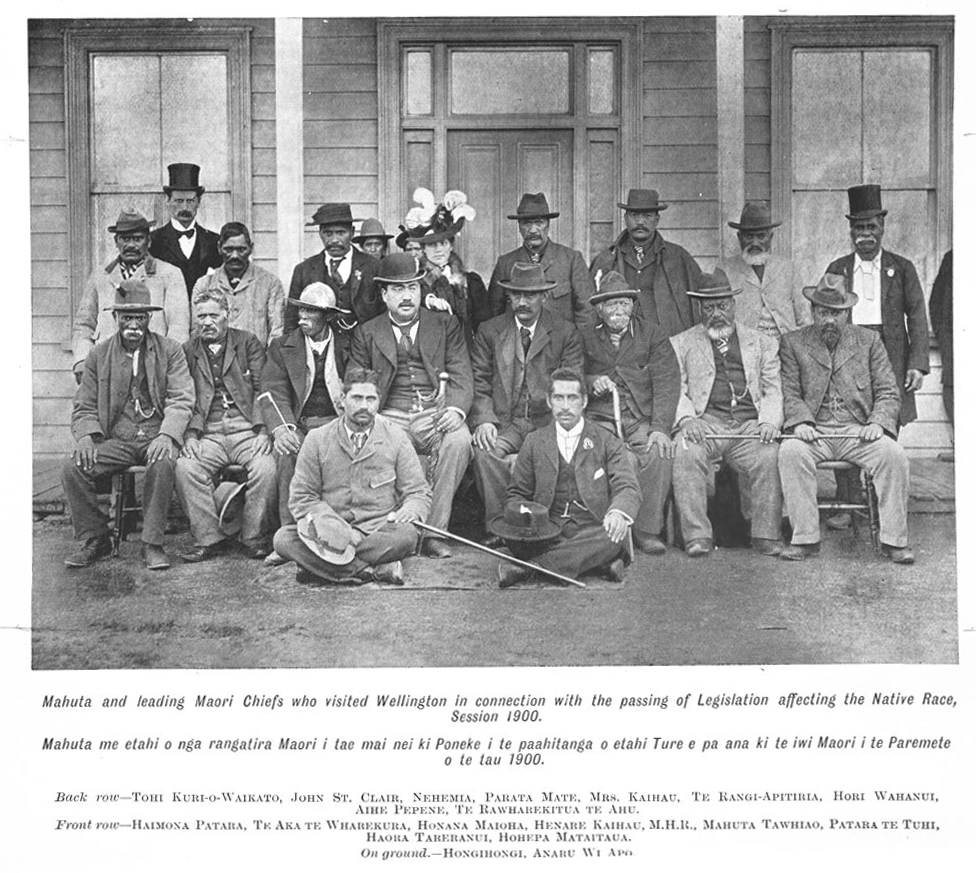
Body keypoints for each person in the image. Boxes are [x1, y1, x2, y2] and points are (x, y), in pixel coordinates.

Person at [777, 274, 914, 564]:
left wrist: (877, 422)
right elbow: (789, 391)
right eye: (823, 312)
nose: (829, 320)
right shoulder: (793, 342)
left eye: (836, 313)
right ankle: (804, 538)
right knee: (790, 451)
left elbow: (889, 391)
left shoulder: (868, 341)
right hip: (815, 431)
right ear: (813, 311)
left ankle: (894, 540)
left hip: (859, 431)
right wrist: (801, 422)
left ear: (847, 313)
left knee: (894, 455)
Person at [61, 280, 194, 571]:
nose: (133, 325)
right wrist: (85, 435)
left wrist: (168, 435)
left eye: (139, 317)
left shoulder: (170, 350)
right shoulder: (99, 354)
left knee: (163, 462)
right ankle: (97, 538)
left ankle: (152, 543)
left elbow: (182, 397)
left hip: (154, 434)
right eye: (127, 318)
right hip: (116, 439)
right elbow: (84, 403)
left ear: (149, 318)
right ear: (115, 318)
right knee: (73, 467)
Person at [349, 253, 473, 558]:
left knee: (459, 441)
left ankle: (434, 531)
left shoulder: (445, 325)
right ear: (383, 294)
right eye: (397, 289)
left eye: (413, 288)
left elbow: (461, 372)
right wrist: (371, 417)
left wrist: (456, 410)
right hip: (390, 414)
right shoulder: (367, 332)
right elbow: (356, 381)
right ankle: (399, 532)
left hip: (435, 412)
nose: (407, 297)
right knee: (381, 446)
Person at [272, 367, 432, 585]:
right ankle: (370, 570)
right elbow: (302, 498)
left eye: (371, 399)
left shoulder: (396, 437)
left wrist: (410, 509)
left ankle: (322, 567)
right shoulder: (317, 439)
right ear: (342, 400)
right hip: (328, 531)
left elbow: (418, 492)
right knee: (283, 539)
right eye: (357, 398)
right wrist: (342, 532)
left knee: (407, 536)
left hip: (378, 531)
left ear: (378, 402)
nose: (364, 406)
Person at [670, 269, 784, 557]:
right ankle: (697, 536)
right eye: (709, 307)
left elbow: (773, 390)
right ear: (699, 308)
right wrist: (686, 419)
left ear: (733, 306)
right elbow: (675, 388)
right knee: (685, 450)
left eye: (722, 306)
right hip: (706, 423)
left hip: (748, 425)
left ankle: (765, 534)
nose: (716, 314)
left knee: (770, 454)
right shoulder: (681, 343)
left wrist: (769, 421)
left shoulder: (761, 342)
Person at [493, 368, 641, 587]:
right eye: (558, 398)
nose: (565, 406)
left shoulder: (606, 440)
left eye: (572, 398)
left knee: (610, 536)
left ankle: (529, 569)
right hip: (547, 530)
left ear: (584, 401)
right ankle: (599, 564)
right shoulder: (534, 442)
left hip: (593, 528)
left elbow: (627, 486)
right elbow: (517, 493)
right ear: (549, 401)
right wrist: (524, 515)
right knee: (519, 538)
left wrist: (618, 513)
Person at [471, 263, 584, 544]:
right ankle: (502, 527)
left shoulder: (564, 332)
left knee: (549, 455)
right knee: (485, 452)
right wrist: (485, 419)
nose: (522, 302)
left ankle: (546, 528)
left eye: (530, 295)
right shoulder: (490, 331)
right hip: (505, 421)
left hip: (546, 422)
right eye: (516, 295)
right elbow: (479, 380)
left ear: (544, 297)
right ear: (508, 296)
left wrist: (558, 426)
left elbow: (571, 384)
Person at [579, 271, 680, 555]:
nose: (620, 311)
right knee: (602, 455)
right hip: (600, 419)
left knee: (658, 452)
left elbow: (666, 382)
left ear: (633, 306)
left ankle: (647, 530)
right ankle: (604, 530)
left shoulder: (653, 335)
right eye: (612, 305)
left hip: (639, 419)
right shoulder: (584, 336)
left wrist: (660, 427)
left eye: (625, 304)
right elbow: (571, 374)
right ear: (599, 309)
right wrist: (590, 381)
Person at [175, 287, 277, 562]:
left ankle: (253, 536)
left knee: (267, 468)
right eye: (201, 317)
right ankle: (209, 538)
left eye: (213, 316)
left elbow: (262, 388)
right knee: (186, 467)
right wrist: (191, 436)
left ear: (227, 316)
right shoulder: (187, 350)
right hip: (209, 432)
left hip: (246, 428)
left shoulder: (247, 343)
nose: (206, 322)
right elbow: (184, 396)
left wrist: (263, 430)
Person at [259, 283, 352, 564]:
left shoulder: (350, 343)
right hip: (300, 424)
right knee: (287, 453)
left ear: (328, 316)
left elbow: (359, 384)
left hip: (338, 422)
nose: (302, 316)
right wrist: (283, 428)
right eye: (301, 309)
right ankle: (290, 537)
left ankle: (340, 537)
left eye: (311, 310)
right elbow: (272, 391)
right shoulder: (282, 346)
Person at [824, 185, 929, 428]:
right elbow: (824, 316)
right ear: (851, 231)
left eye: (871, 226)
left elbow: (917, 317)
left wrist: (917, 364)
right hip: (848, 348)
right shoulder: (837, 269)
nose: (865, 234)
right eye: (859, 227)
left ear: (882, 227)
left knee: (888, 418)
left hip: (891, 351)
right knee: (848, 418)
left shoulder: (902, 268)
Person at [72, 208, 189, 382]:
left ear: (148, 242)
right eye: (125, 239)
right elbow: (83, 325)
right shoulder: (101, 276)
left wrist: (167, 364)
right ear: (116, 241)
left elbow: (179, 327)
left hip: (153, 367)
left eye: (138, 239)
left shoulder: (169, 274)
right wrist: (82, 360)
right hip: (108, 368)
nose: (131, 245)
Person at [589, 188, 702, 337]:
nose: (640, 222)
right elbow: (589, 310)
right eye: (634, 215)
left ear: (657, 219)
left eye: (647, 216)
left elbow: (699, 304)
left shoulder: (678, 258)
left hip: (666, 344)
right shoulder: (606, 260)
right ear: (625, 218)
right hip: (620, 345)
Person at [488, 192, 594, 328]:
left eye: (539, 222)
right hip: (519, 345)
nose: (533, 230)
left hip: (561, 345)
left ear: (548, 225)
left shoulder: (571, 259)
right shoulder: (506, 263)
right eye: (526, 223)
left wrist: (575, 346)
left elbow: (586, 311)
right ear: (519, 227)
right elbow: (495, 314)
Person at [404, 188, 491, 346]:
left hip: (465, 355)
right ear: (423, 248)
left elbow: (483, 327)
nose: (438, 250)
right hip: (429, 353)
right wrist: (430, 300)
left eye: (443, 243)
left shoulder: (471, 282)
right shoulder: (415, 282)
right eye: (432, 244)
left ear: (451, 246)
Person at [284, 203, 382, 335]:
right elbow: (292, 319)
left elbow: (384, 315)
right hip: (321, 349)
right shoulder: (303, 270)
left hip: (364, 349)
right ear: (320, 234)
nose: (334, 240)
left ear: (352, 233)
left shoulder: (373, 267)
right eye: (328, 233)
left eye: (341, 233)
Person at [719, 201, 810, 337]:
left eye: (761, 236)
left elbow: (805, 321)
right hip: (745, 351)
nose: (755, 243)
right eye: (749, 236)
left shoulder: (788, 269)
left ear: (770, 237)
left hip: (784, 350)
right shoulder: (725, 271)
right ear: (739, 237)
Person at [190, 221, 284, 346]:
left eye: (241, 249)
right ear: (219, 248)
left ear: (251, 248)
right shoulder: (204, 284)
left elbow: (277, 332)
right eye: (228, 249)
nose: (235, 256)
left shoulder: (270, 284)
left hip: (256, 362)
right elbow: (196, 331)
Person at [149, 163, 222, 301]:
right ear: (168, 201)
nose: (185, 207)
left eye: (190, 201)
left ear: (199, 202)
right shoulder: (153, 241)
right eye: (178, 201)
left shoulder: (214, 242)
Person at [929, 250, 953, 446]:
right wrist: (943, 334)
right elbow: (936, 301)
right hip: (956, 337)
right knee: (952, 385)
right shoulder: (952, 258)